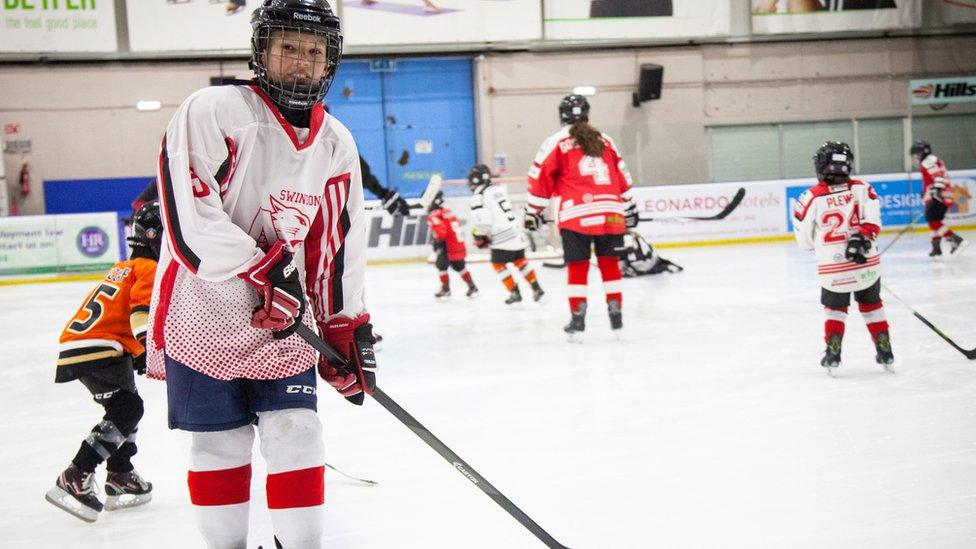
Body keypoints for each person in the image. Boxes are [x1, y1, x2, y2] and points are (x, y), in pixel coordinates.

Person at [146, 2, 377, 547]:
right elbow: (189, 217)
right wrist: (264, 269)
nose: (302, 62)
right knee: (219, 445)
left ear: (331, 62)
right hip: (202, 313)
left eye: (315, 52)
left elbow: (334, 246)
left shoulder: (335, 142)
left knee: (298, 432)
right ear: (262, 49)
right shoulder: (213, 109)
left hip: (283, 317)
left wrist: (344, 329)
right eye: (289, 47)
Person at [45, 202, 162, 523]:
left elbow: (117, 311)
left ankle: (121, 472)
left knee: (126, 407)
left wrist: (134, 353)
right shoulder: (150, 269)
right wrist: (151, 349)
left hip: (90, 343)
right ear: (158, 238)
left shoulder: (123, 266)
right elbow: (140, 314)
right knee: (128, 410)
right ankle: (77, 472)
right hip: (100, 347)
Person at [525, 94, 638, 339]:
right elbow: (623, 176)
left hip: (577, 214)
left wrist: (532, 212)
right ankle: (615, 312)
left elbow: (539, 178)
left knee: (578, 267)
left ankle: (578, 318)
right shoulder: (605, 140)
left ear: (562, 116)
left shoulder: (556, 141)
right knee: (609, 264)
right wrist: (630, 207)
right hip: (611, 212)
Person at [793, 142, 894, 374]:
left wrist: (823, 248)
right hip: (866, 263)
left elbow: (804, 242)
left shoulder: (810, 197)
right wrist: (862, 238)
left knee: (835, 311)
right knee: (872, 306)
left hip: (833, 268)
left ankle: (833, 352)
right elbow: (874, 222)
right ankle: (884, 349)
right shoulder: (863, 188)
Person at [468, 164, 545, 305]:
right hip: (516, 232)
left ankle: (514, 292)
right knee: (520, 261)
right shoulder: (498, 189)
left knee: (498, 264)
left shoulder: (478, 195)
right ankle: (537, 289)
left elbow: (484, 221)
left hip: (502, 237)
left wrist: (479, 236)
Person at [910, 140, 967, 259]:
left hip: (939, 196)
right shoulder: (932, 160)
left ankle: (956, 240)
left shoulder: (928, 161)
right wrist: (927, 192)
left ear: (923, 152)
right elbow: (935, 178)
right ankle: (936, 248)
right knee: (934, 222)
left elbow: (938, 175)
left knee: (933, 221)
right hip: (940, 195)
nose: (916, 157)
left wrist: (936, 189)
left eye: (917, 154)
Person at [427, 190, 479, 299]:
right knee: (459, 266)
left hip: (447, 245)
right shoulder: (448, 211)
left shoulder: (434, 215)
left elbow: (441, 233)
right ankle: (472, 286)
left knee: (441, 266)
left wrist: (436, 241)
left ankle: (445, 289)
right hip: (458, 244)